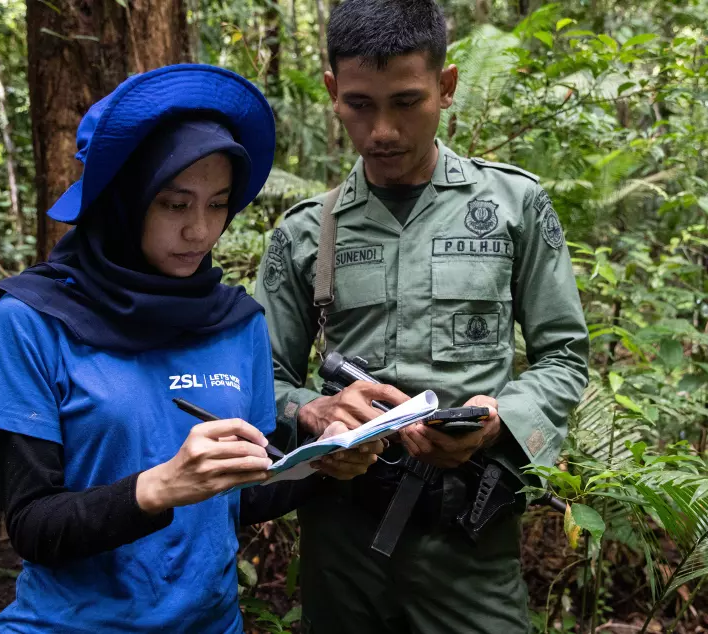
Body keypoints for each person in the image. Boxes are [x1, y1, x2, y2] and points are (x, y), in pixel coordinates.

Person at [0, 64, 382, 634]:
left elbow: (245, 494)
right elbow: (34, 527)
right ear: (123, 199)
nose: (201, 232)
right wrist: (158, 487)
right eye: (175, 204)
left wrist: (324, 461)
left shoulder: (236, 323)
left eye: (218, 204)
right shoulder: (31, 321)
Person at [253, 1, 591, 632]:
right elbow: (253, 375)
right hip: (341, 543)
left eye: (406, 102)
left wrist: (498, 423)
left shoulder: (514, 207)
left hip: (469, 542)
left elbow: (565, 355)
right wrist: (311, 411)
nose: (382, 130)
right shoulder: (305, 233)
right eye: (359, 105)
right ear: (331, 92)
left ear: (447, 87)